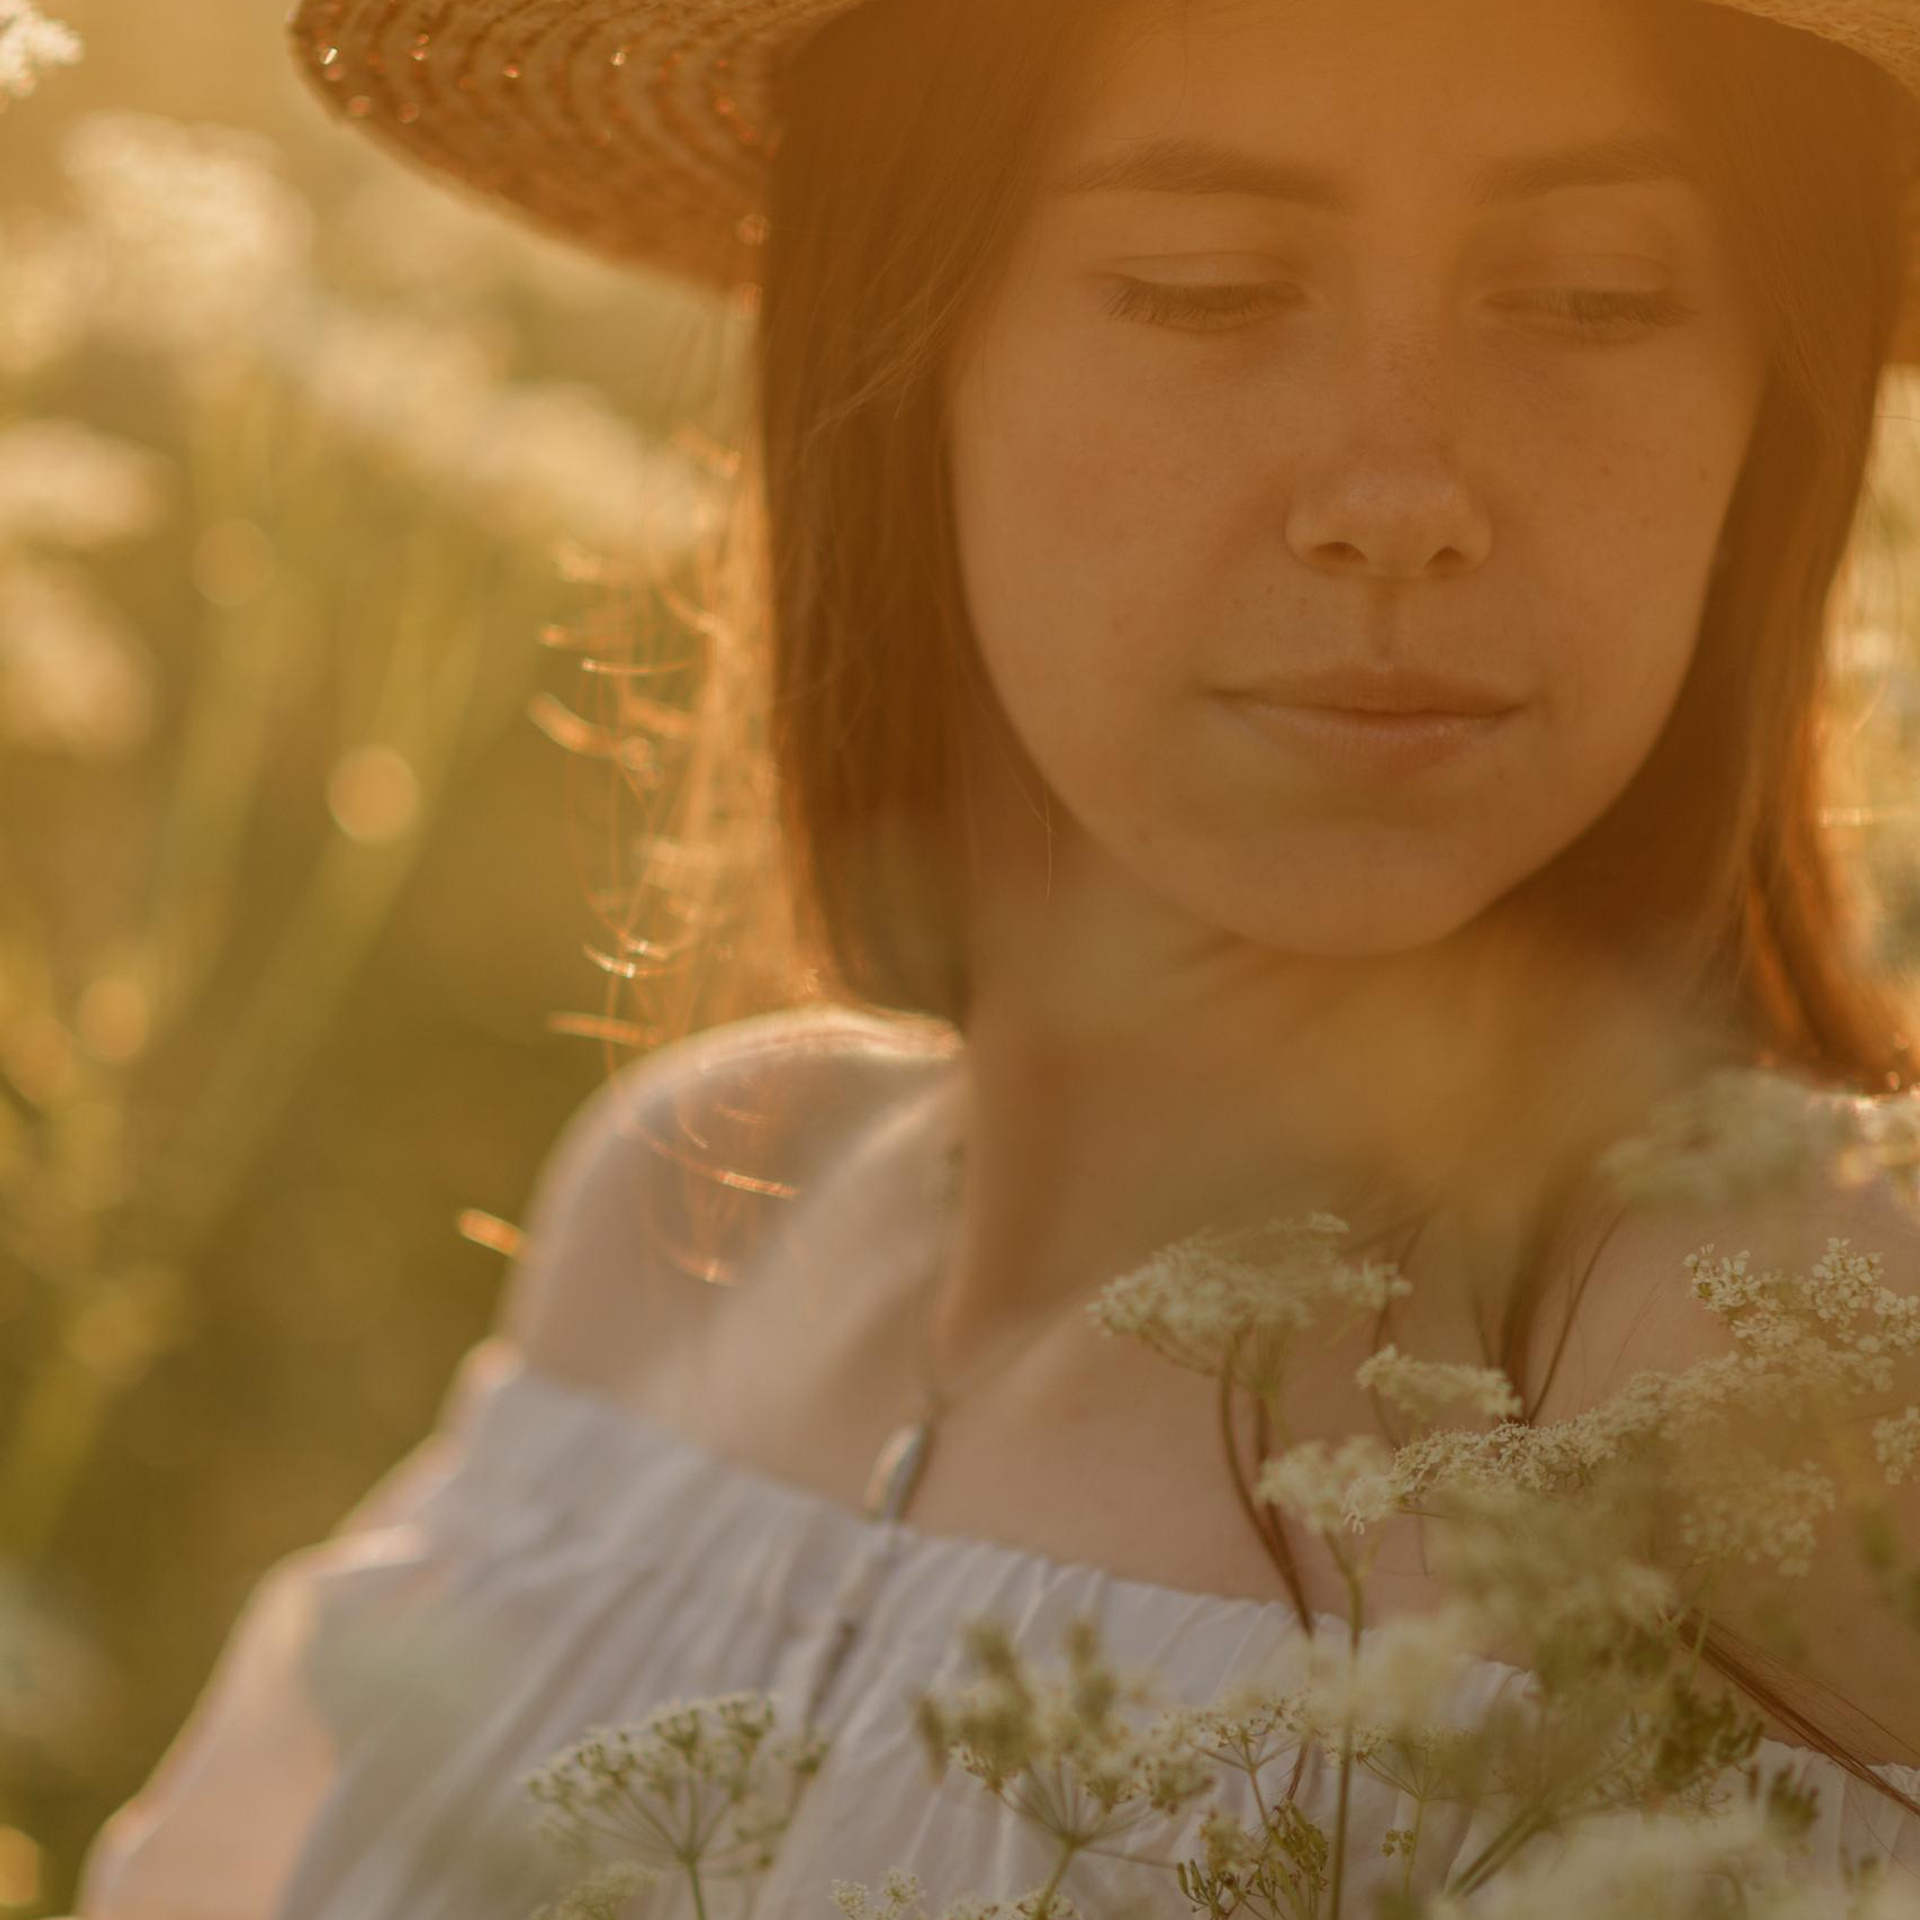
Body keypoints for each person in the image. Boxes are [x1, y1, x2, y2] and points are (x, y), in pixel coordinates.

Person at [71, 0, 1920, 1912]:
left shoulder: (1807, 1377)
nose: (1400, 501)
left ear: (1766, 415)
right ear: (900, 345)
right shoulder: (695, 1223)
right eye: (1208, 287)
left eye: (1597, 296)